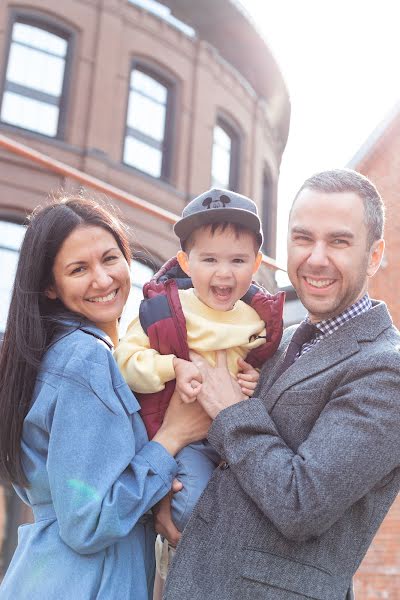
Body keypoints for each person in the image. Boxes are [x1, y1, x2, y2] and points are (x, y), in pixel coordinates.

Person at [163, 169, 400, 600]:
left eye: (339, 242)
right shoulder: (280, 338)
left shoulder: (387, 370)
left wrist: (231, 410)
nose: (316, 258)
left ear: (374, 254)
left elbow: (302, 502)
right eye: (303, 238)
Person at [0, 195, 210, 600]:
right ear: (49, 285)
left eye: (110, 259)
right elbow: (88, 522)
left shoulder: (51, 354)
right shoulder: (84, 358)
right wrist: (173, 436)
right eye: (79, 269)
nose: (102, 279)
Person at [115, 188, 285, 535]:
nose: (224, 273)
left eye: (237, 261)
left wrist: (255, 381)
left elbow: (267, 376)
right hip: (187, 438)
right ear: (185, 262)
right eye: (209, 260)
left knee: (248, 514)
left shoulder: (259, 321)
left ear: (255, 265)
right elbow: (125, 362)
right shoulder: (162, 311)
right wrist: (171, 367)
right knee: (191, 509)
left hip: (236, 438)